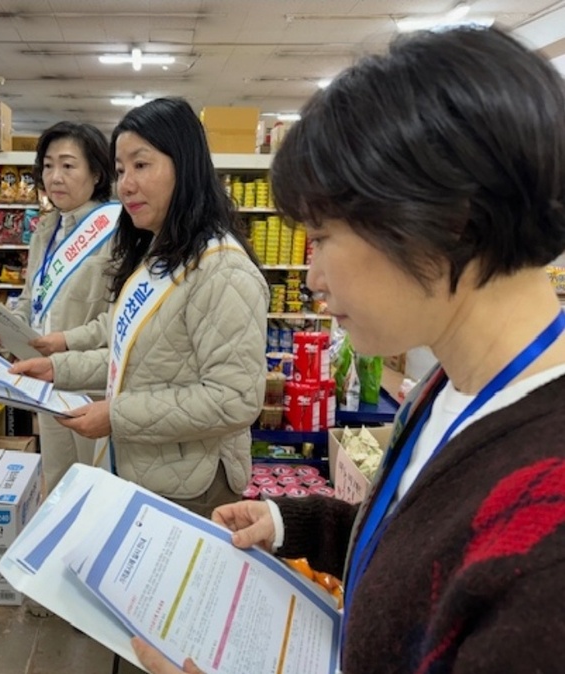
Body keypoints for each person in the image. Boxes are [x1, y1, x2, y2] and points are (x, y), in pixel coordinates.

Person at [132, 26, 565, 674]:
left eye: (323, 236)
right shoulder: (454, 384)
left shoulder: (547, 536)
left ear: (446, 220)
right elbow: (423, 548)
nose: (311, 278)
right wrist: (296, 526)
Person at [11, 97, 269, 516]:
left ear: (184, 166)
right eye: (120, 170)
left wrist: (117, 416)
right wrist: (59, 368)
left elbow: (234, 398)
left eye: (141, 165)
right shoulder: (158, 256)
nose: (125, 184)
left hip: (192, 486)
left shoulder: (222, 269)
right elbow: (131, 358)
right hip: (146, 471)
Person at [11, 121, 118, 491]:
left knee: (95, 483)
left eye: (68, 165)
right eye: (48, 165)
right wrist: (3, 323)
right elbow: (31, 297)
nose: (55, 176)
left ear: (97, 173)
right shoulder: (45, 230)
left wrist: (65, 341)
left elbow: (118, 318)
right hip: (48, 379)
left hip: (94, 383)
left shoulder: (117, 230)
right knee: (58, 478)